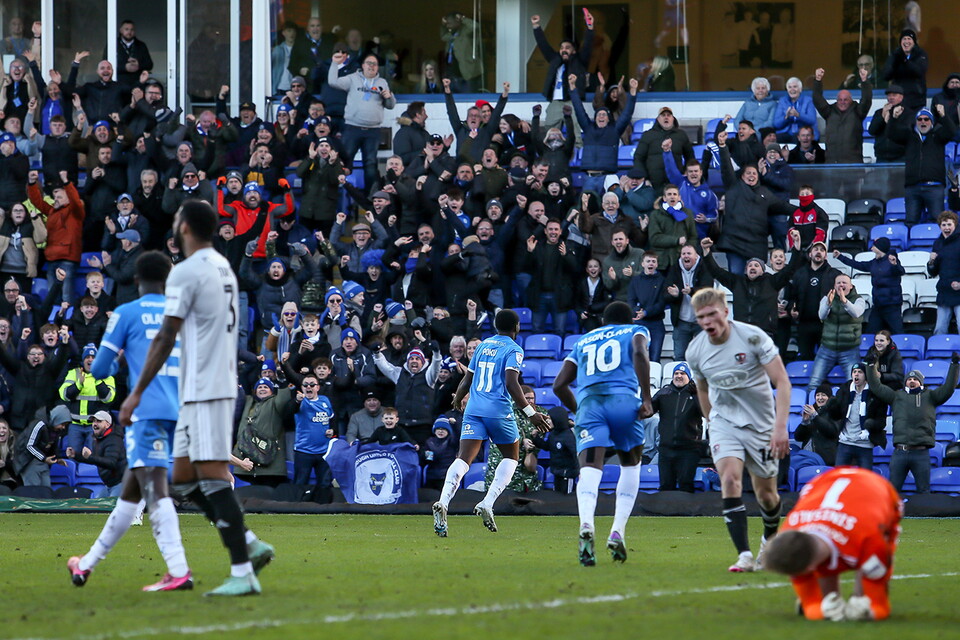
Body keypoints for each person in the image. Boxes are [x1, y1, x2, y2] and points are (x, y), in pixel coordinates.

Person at [118, 201, 274, 597]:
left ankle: (243, 571)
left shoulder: (185, 272)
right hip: (207, 383)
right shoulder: (222, 266)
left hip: (206, 386)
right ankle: (251, 542)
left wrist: (136, 393)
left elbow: (166, 334)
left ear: (184, 227)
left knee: (210, 475)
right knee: (184, 480)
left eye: (174, 220)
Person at [67, 251, 192, 591]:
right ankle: (86, 565)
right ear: (167, 281)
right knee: (132, 492)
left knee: (154, 488)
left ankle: (179, 570)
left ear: (135, 281)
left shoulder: (126, 313)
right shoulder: (178, 314)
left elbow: (101, 368)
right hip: (177, 408)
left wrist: (122, 355)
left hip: (145, 411)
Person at [685, 288, 791, 573]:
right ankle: (744, 555)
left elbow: (782, 381)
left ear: (725, 311)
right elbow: (702, 388)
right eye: (701, 317)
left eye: (712, 314)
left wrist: (780, 427)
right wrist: (712, 422)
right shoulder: (695, 350)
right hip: (725, 423)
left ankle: (769, 537)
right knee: (729, 479)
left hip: (761, 425)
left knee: (766, 495)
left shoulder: (752, 337)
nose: (708, 321)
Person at [432, 309, 550, 537]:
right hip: (498, 410)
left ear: (496, 326)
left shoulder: (484, 345)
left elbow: (469, 376)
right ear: (516, 327)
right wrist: (530, 413)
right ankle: (487, 502)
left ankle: (443, 501)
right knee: (512, 457)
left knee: (463, 459)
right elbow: (512, 383)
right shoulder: (514, 349)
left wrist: (458, 397)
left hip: (474, 409)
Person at [552, 300, 653, 565]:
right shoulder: (636, 331)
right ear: (630, 320)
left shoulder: (584, 339)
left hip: (591, 406)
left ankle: (586, 524)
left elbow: (559, 385)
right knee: (631, 466)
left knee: (589, 469)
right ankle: (617, 530)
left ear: (603, 322)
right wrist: (647, 398)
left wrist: (579, 409)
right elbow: (640, 354)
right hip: (623, 403)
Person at [762, 467, 902, 621]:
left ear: (810, 569)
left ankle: (854, 597)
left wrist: (868, 608)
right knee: (826, 598)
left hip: (878, 490)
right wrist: (821, 610)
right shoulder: (788, 531)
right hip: (823, 482)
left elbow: (879, 606)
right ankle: (833, 598)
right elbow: (812, 606)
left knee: (870, 580)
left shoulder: (870, 539)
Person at [866, 353, 960, 494]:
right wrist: (871, 366)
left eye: (915, 379)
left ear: (921, 382)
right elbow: (876, 387)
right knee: (892, 492)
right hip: (900, 452)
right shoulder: (896, 396)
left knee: (924, 491)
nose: (911, 381)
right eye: (909, 379)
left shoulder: (931, 396)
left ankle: (926, 516)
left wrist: (954, 365)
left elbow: (948, 388)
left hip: (921, 453)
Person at [326, 51, 395, 191]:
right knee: (345, 161)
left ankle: (370, 199)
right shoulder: (352, 78)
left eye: (374, 64)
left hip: (373, 131)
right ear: (363, 65)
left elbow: (390, 106)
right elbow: (332, 82)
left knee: (370, 164)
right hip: (353, 128)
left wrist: (390, 96)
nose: (372, 66)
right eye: (369, 63)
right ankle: (338, 193)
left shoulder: (382, 82)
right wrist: (334, 64)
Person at [530, 11, 595, 142]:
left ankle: (577, 154)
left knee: (577, 129)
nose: (564, 50)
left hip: (572, 101)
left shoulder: (580, 60)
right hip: (555, 102)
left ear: (574, 51)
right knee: (549, 129)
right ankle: (550, 154)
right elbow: (543, 45)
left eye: (567, 47)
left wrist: (590, 27)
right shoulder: (555, 60)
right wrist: (536, 27)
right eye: (562, 47)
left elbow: (587, 45)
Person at [887, 105, 957, 225]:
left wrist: (943, 116)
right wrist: (894, 118)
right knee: (911, 222)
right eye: (920, 119)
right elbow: (891, 134)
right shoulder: (909, 136)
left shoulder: (938, 135)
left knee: (937, 221)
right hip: (913, 187)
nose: (923, 122)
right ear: (916, 122)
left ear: (931, 122)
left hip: (934, 187)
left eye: (926, 119)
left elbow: (952, 132)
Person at [806, 274, 866, 392]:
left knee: (854, 384)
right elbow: (821, 316)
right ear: (834, 285)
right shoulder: (827, 298)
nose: (841, 285)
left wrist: (844, 301)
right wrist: (828, 304)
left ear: (851, 286)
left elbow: (856, 313)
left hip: (850, 349)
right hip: (827, 348)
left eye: (844, 283)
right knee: (814, 383)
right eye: (838, 283)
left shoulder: (859, 299)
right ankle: (810, 409)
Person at [833, 237, 905, 333]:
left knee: (897, 332)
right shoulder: (874, 263)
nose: (871, 248)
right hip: (878, 305)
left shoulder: (892, 260)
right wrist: (841, 257)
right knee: (871, 332)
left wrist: (895, 264)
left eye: (874, 246)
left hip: (892, 306)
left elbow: (900, 271)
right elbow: (858, 265)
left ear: (880, 248)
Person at [651, 362, 703, 492]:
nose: (679, 376)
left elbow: (706, 412)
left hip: (689, 449)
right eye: (676, 373)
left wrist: (697, 394)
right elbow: (647, 411)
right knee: (666, 486)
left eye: (683, 373)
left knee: (686, 486)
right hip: (666, 448)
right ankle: (665, 512)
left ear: (689, 377)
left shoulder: (696, 394)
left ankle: (686, 512)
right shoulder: (663, 393)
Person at [812, 66, 872, 163]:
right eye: (840, 100)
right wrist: (817, 81)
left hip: (853, 164)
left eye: (845, 100)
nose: (842, 102)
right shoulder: (829, 112)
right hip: (832, 163)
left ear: (851, 100)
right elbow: (817, 99)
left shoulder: (858, 111)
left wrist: (865, 81)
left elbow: (866, 100)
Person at [65, 410, 126, 498]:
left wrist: (90, 457)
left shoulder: (114, 439)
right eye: (93, 421)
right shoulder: (97, 439)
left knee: (110, 508)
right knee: (95, 506)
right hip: (109, 484)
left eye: (99, 421)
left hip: (120, 483)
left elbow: (111, 463)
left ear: (107, 424)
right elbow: (96, 460)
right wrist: (75, 455)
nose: (95, 424)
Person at [928, 211, 960, 335]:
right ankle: (938, 354)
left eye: (949, 224)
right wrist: (931, 261)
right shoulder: (938, 243)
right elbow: (932, 271)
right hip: (944, 291)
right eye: (943, 225)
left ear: (955, 225)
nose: (946, 227)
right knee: (939, 328)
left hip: (959, 291)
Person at [882, 28, 928, 111]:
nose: (906, 41)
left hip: (916, 100)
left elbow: (919, 72)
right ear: (900, 42)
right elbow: (886, 76)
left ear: (914, 42)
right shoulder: (895, 54)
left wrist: (904, 60)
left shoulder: (921, 54)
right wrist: (896, 61)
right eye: (904, 39)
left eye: (909, 39)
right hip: (898, 100)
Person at [774, 77, 817, 143]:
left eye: (795, 87)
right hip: (786, 132)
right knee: (774, 139)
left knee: (797, 138)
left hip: (803, 132)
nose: (792, 89)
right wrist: (786, 118)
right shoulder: (782, 101)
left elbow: (812, 120)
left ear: (800, 89)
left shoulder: (808, 100)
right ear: (787, 89)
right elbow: (776, 124)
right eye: (790, 87)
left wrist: (799, 115)